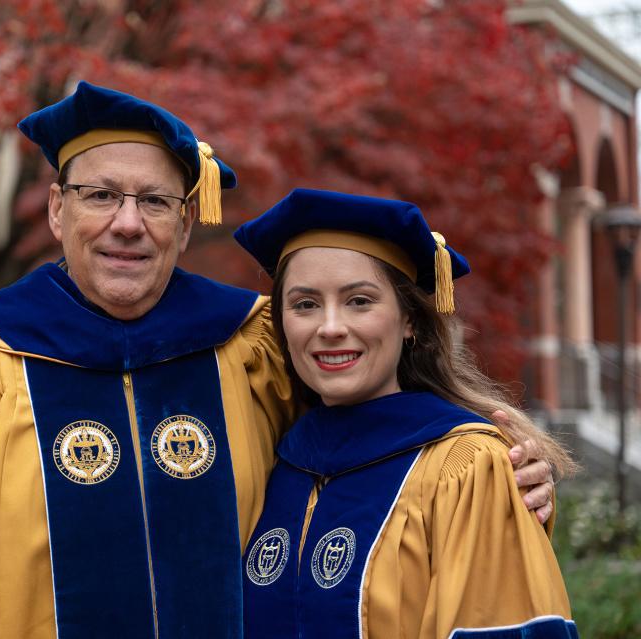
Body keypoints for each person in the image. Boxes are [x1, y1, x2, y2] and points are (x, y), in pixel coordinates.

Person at [0, 83, 555, 639]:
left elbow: (377, 451)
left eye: (154, 200)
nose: (128, 222)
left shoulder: (251, 347)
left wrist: (500, 488)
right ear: (58, 210)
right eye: (100, 195)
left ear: (186, 222)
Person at [234, 188, 578, 639]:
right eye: (305, 304)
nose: (330, 327)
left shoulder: (468, 467)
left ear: (410, 320)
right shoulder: (274, 459)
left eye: (359, 300)